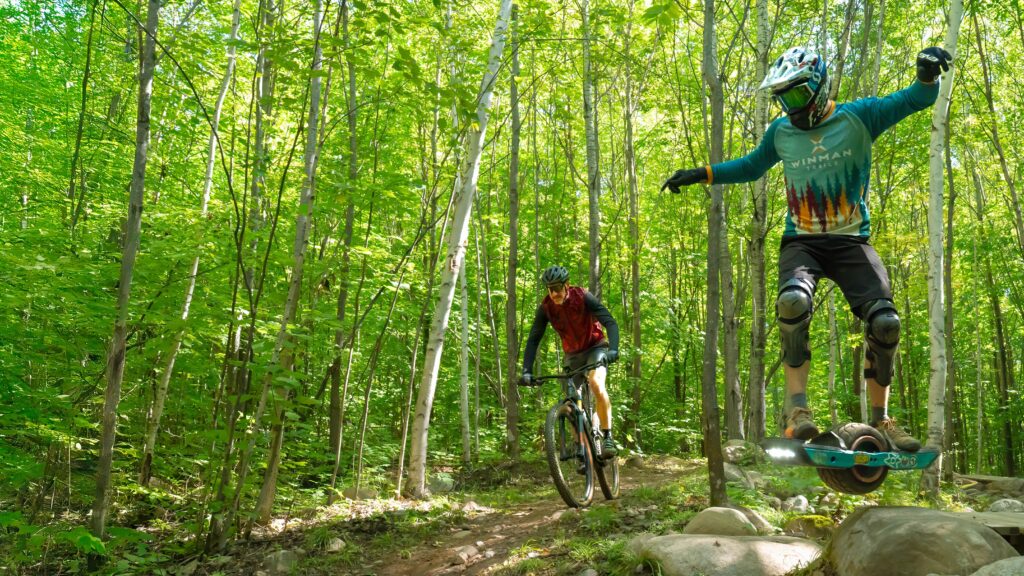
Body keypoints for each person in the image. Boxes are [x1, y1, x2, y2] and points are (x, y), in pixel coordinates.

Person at [661, 45, 954, 452]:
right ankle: (797, 410)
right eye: (784, 98)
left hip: (851, 241)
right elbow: (751, 166)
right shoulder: (781, 132)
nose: (791, 107)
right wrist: (701, 174)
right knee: (792, 303)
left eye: (797, 95)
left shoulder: (859, 116)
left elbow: (915, 99)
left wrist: (927, 74)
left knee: (886, 323)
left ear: (819, 87)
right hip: (802, 242)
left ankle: (881, 420)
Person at [519, 265, 621, 457]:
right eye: (550, 289)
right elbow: (533, 340)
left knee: (595, 382)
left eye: (557, 288)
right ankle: (581, 450)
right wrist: (526, 371)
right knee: (571, 400)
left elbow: (610, 321)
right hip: (572, 356)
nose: (554, 293)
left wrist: (613, 349)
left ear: (567, 285)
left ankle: (607, 436)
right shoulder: (546, 308)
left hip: (595, 347)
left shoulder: (583, 296)